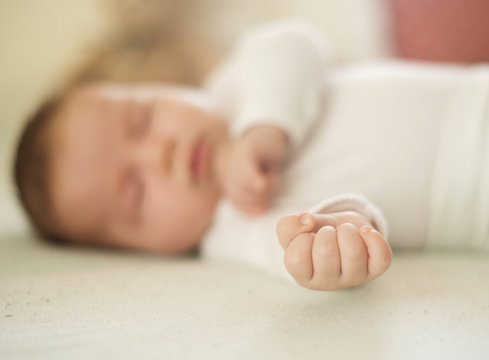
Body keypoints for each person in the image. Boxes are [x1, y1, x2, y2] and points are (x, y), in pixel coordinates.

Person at [14, 21, 489, 291]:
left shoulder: (234, 88)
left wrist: (263, 129)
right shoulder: (233, 229)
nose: (161, 154)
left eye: (143, 118)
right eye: (136, 193)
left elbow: (296, 44)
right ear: (143, 252)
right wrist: (327, 235)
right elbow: (286, 250)